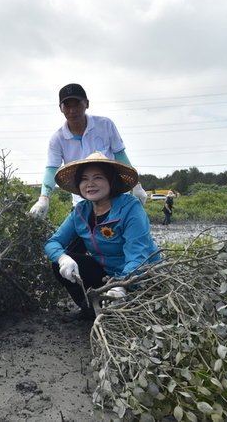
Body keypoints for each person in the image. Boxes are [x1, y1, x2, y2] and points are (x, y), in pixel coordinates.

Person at [45, 151, 160, 321]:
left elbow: (139, 257)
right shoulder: (81, 211)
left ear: (111, 181)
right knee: (59, 263)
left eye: (98, 177)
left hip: (138, 277)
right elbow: (52, 242)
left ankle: (112, 305)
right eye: (84, 179)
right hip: (106, 273)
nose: (90, 184)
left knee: (132, 318)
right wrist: (63, 258)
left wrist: (121, 285)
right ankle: (88, 309)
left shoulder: (130, 208)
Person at [29, 83, 147, 220]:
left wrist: (136, 186)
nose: (72, 110)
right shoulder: (57, 139)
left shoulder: (105, 125)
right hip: (83, 201)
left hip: (115, 196)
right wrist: (44, 199)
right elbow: (51, 170)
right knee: (77, 238)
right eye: (67, 106)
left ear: (87, 104)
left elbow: (120, 155)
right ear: (61, 109)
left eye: (77, 104)